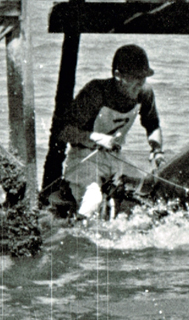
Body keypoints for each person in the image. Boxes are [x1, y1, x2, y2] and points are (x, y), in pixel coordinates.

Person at [56, 44, 164, 215]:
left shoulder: (145, 92)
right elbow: (63, 131)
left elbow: (153, 125)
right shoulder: (95, 93)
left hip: (116, 157)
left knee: (147, 191)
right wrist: (98, 139)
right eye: (135, 78)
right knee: (93, 200)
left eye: (143, 77)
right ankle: (76, 234)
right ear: (118, 75)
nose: (140, 83)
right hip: (84, 158)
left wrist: (157, 150)